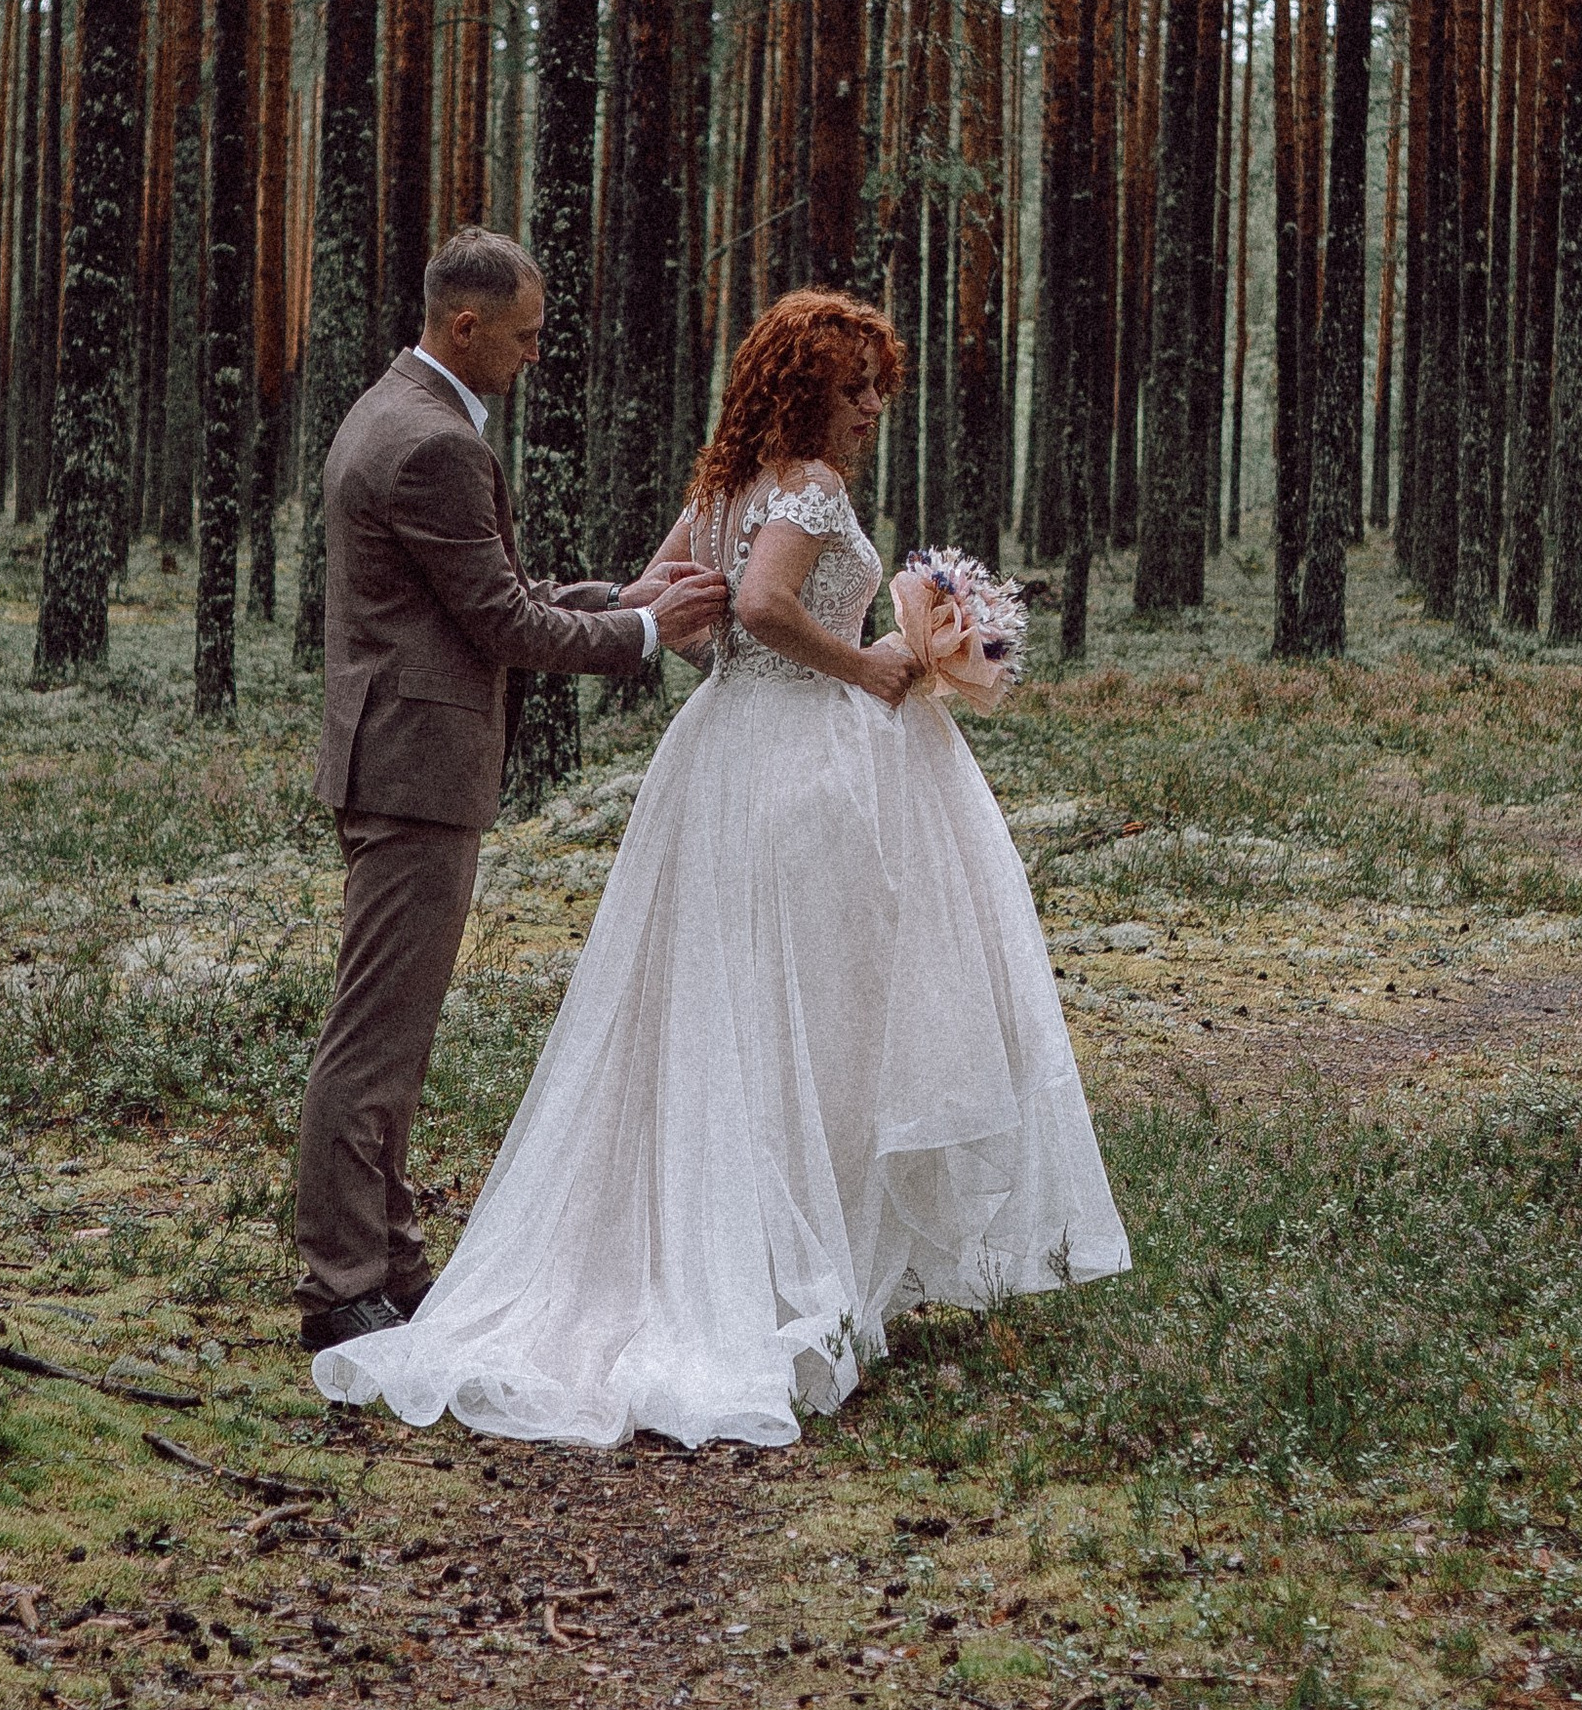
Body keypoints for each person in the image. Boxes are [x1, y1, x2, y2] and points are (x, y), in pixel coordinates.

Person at [312, 285, 1129, 1449]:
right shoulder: (806, 487)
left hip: (717, 759)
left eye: (877, 392)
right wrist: (869, 666)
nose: (870, 412)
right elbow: (752, 602)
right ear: (805, 393)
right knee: (811, 1011)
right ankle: (781, 1262)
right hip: (797, 765)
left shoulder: (720, 487)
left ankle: (770, 1239)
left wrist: (689, 627)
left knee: (728, 1009)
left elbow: (676, 600)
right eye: (854, 391)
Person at [292, 227, 729, 1352]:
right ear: (466, 326)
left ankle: (385, 1258)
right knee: (376, 1038)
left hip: (394, 754)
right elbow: (501, 623)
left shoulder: (395, 411)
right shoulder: (432, 443)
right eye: (526, 337)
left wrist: (616, 593)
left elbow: (487, 590)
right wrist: (638, 630)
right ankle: (342, 1286)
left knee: (394, 1030)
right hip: (415, 769)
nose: (537, 355)